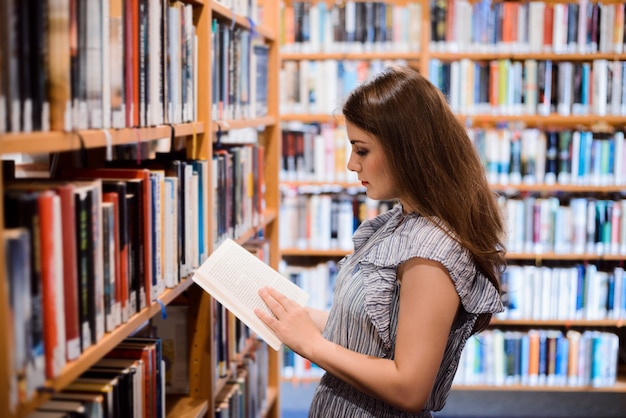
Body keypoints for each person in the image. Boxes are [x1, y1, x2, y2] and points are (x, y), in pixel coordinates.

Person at [256, 65, 506, 417]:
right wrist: (299, 317)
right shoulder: (399, 224)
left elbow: (409, 388)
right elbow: (374, 333)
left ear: (406, 151)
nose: (350, 164)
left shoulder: (430, 252)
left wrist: (310, 345)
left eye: (361, 150)